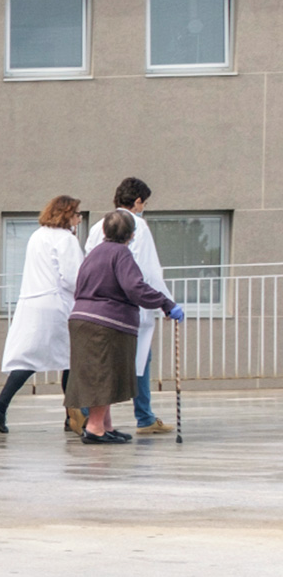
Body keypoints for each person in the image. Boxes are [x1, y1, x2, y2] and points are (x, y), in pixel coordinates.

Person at [68, 210, 182, 444]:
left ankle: (105, 425)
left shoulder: (95, 253)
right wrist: (165, 303)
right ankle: (95, 428)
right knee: (104, 373)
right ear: (131, 234)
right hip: (106, 322)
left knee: (100, 372)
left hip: (82, 318)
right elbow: (135, 287)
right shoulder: (122, 254)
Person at [0, 195, 84, 434]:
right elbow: (72, 278)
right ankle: (73, 416)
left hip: (31, 303)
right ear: (67, 215)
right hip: (57, 305)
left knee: (27, 359)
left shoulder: (37, 235)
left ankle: (0, 406)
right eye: (77, 214)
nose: (79, 219)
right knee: (71, 358)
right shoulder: (66, 239)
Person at [114, 177, 174, 435]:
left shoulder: (99, 225)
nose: (143, 208)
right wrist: (166, 303)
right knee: (141, 358)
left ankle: (87, 415)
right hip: (133, 303)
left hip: (105, 303)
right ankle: (144, 417)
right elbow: (149, 270)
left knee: (106, 361)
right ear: (137, 201)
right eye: (144, 203)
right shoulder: (138, 226)